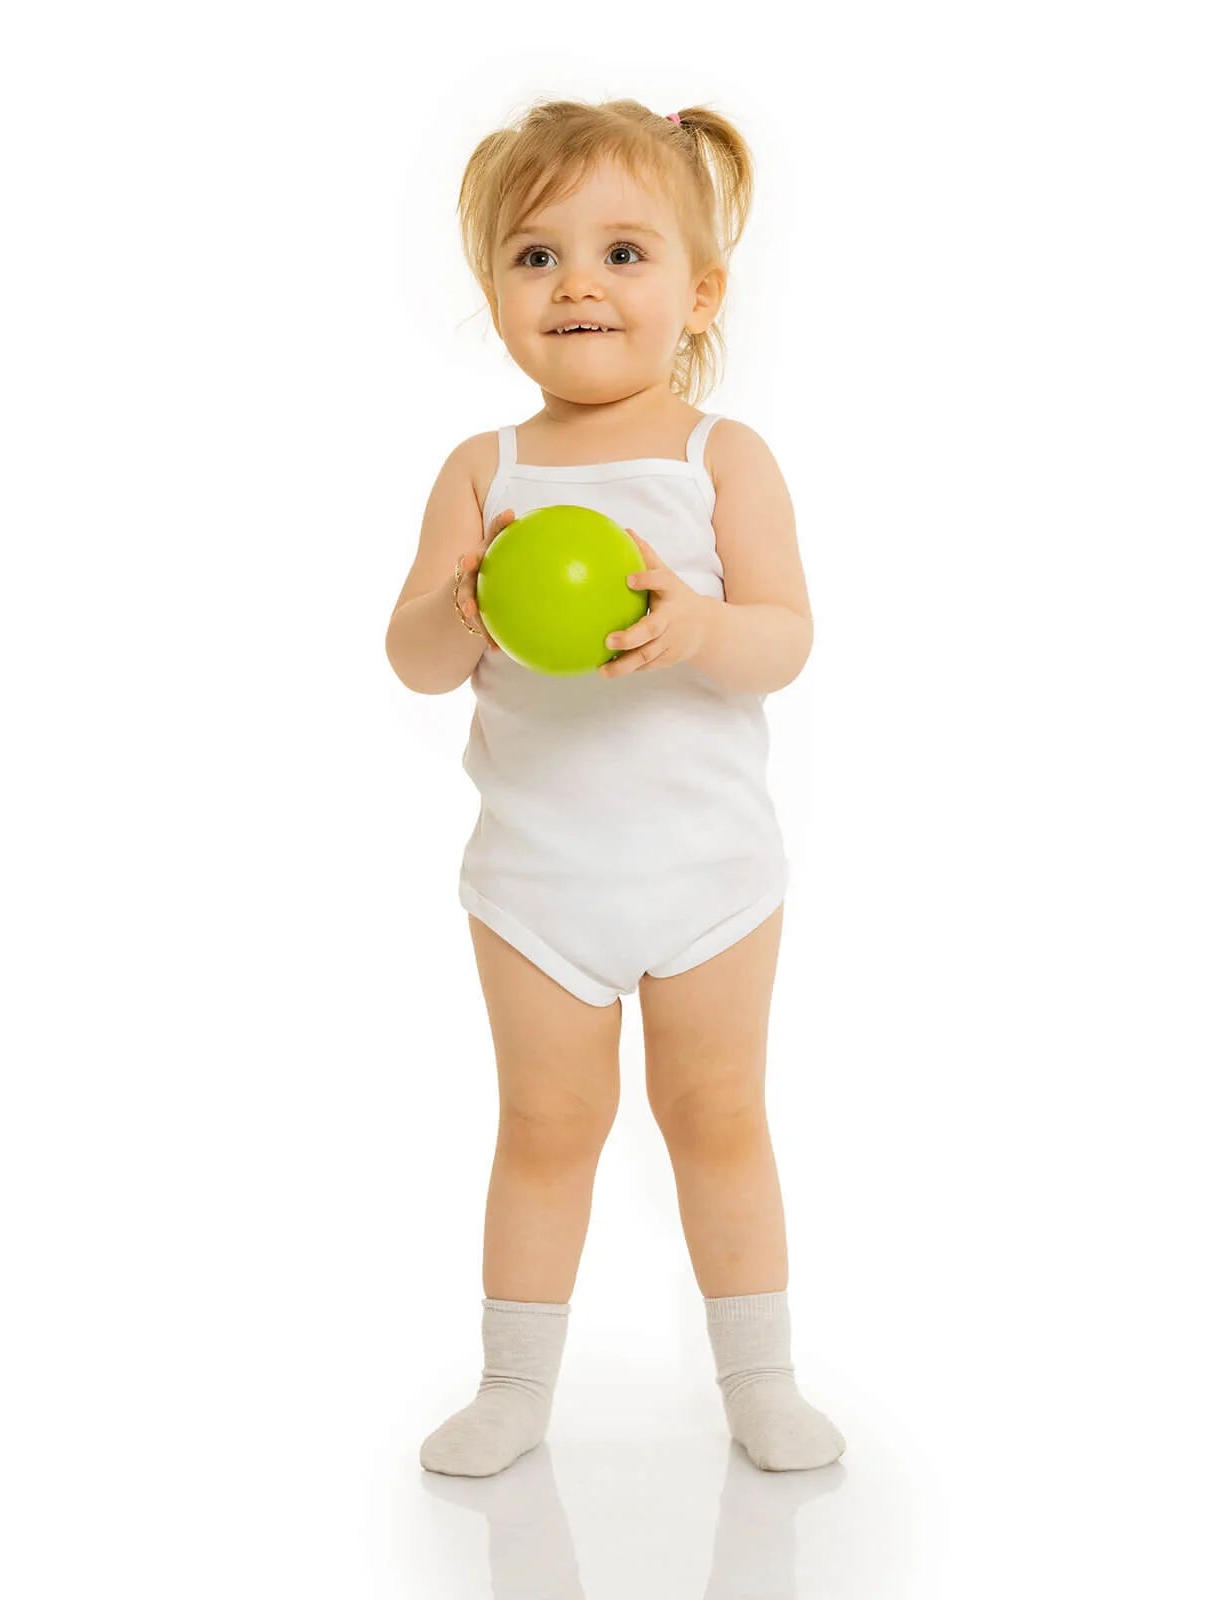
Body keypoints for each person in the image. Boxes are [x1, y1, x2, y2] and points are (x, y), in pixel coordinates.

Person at [384, 98, 844, 1477]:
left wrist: (699, 628)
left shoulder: (721, 458)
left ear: (699, 295)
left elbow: (786, 639)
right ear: (496, 296)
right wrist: (464, 606)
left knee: (718, 1120)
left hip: (709, 876)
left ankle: (760, 1380)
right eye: (536, 256)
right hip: (538, 884)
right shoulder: (485, 473)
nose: (576, 283)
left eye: (623, 253)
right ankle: (512, 1389)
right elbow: (412, 660)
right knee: (544, 1129)